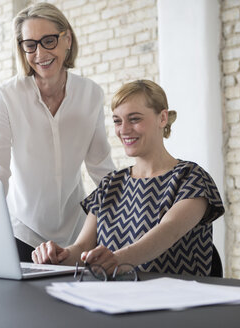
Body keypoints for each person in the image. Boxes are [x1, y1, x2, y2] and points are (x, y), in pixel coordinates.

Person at [32, 80, 225, 276]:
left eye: (134, 119)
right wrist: (60, 256)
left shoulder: (192, 179)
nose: (123, 130)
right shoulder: (110, 184)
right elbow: (82, 247)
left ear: (162, 118)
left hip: (177, 300)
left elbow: (168, 231)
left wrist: (117, 260)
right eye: (117, 121)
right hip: (115, 299)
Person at [0, 3, 115, 262]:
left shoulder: (91, 95)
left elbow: (102, 170)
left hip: (77, 233)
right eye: (30, 44)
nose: (40, 53)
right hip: (22, 232)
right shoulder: (7, 96)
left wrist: (122, 222)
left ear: (67, 39)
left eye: (48, 41)